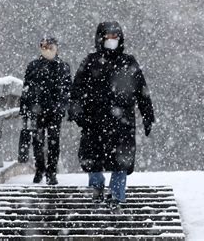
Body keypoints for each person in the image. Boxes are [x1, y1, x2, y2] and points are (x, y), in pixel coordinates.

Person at [69, 21, 155, 210]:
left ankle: (117, 197)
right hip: (94, 121)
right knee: (92, 159)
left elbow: (142, 91)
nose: (111, 40)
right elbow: (76, 90)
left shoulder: (129, 62)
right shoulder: (90, 62)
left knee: (121, 162)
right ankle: (96, 190)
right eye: (108, 36)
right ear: (100, 38)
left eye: (115, 37)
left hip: (122, 122)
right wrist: (76, 112)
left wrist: (148, 115)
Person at [19, 37, 72, 185]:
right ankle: (40, 169)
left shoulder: (63, 66)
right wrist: (25, 108)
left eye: (49, 46)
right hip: (37, 110)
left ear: (56, 48)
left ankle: (51, 172)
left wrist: (63, 107)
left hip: (55, 111)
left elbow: (68, 89)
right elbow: (26, 89)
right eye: (43, 46)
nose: (46, 49)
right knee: (38, 141)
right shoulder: (33, 66)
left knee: (53, 142)